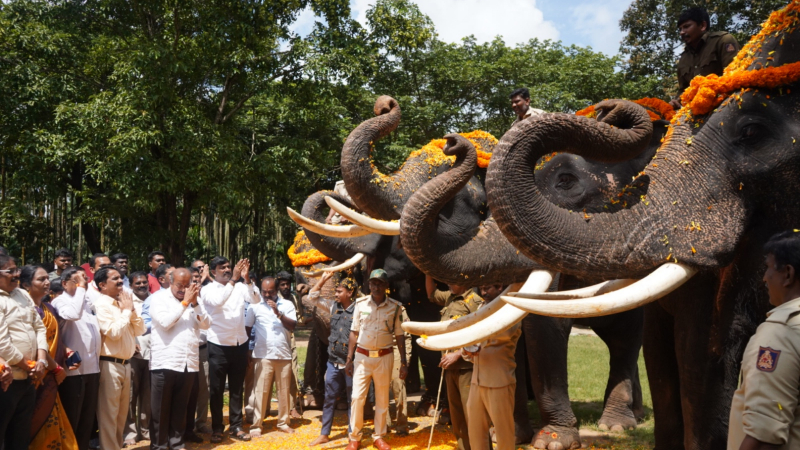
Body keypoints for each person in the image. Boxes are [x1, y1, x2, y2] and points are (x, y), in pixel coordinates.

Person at [728, 231, 800, 450]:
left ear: (787, 274)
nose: (764, 277)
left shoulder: (779, 335)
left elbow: (763, 437)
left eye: (769, 267)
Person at [345, 269, 407, 450]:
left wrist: (403, 362)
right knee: (357, 397)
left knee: (382, 399)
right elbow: (354, 332)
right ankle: (355, 438)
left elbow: (400, 335)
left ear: (386, 286)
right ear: (369, 285)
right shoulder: (360, 304)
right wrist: (349, 359)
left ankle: (379, 436)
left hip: (384, 357)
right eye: (373, 283)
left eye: (380, 283)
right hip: (362, 357)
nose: (376, 286)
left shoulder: (395, 307)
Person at [149, 268, 211, 450]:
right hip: (165, 362)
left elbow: (206, 324)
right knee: (160, 409)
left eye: (187, 285)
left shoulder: (195, 301)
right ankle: (159, 445)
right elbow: (166, 323)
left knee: (180, 408)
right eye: (179, 285)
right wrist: (184, 303)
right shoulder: (158, 299)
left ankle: (176, 443)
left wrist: (196, 304)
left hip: (188, 363)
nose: (183, 289)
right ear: (169, 282)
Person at [19, 265, 79, 450]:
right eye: (40, 279)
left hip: (51, 375)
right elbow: (35, 345)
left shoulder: (48, 308)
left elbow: (53, 338)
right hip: (33, 374)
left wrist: (66, 350)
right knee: (30, 423)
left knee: (51, 421)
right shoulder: (24, 309)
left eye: (47, 278)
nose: (47, 282)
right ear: (26, 284)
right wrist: (55, 367)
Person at [199, 257, 256, 443]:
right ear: (213, 272)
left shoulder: (241, 286)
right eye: (221, 267)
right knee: (216, 390)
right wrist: (234, 280)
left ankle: (236, 426)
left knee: (236, 388)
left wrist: (246, 280)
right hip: (218, 345)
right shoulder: (207, 289)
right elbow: (217, 301)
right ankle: (217, 427)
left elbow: (256, 299)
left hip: (239, 344)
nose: (227, 269)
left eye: (228, 266)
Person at [426, 275, 483, 450]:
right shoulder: (450, 297)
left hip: (466, 367)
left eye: (453, 279)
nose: (448, 282)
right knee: (457, 415)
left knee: (471, 414)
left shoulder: (474, 301)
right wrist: (428, 272)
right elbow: (431, 293)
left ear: (465, 282)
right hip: (450, 367)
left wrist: (457, 355)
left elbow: (477, 335)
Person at [0, 254, 49, 450]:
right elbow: (2, 343)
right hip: (6, 380)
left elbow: (40, 328)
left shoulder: (23, 295)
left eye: (16, 269)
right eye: (10, 271)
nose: (16, 274)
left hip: (29, 378)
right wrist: (29, 366)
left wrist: (42, 362)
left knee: (20, 436)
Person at [465, 284, 522, 450]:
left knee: (503, 432)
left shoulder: (512, 308)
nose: (483, 293)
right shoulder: (482, 307)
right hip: (477, 380)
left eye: (487, 288)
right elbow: (471, 340)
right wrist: (467, 349)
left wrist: (475, 341)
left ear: (500, 287)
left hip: (499, 380)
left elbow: (502, 334)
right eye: (481, 289)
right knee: (475, 430)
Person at [94, 266, 146, 450]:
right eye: (115, 279)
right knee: (109, 414)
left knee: (121, 415)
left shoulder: (121, 303)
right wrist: (125, 312)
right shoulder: (101, 305)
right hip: (109, 365)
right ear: (102, 284)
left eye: (120, 278)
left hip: (125, 364)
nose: (120, 281)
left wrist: (130, 310)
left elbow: (141, 330)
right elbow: (113, 333)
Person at [53, 266, 101, 450]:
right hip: (73, 372)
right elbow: (72, 315)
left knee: (87, 420)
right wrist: (81, 288)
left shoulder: (88, 304)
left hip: (92, 369)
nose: (84, 283)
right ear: (65, 284)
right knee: (73, 417)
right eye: (78, 280)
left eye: (85, 279)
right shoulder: (60, 302)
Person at [309, 273, 357, 446]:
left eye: (339, 291)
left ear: (350, 293)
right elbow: (312, 296)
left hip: (352, 364)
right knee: (329, 399)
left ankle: (353, 434)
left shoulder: (359, 310)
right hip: (333, 363)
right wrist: (322, 280)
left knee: (353, 399)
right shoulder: (332, 306)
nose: (336, 294)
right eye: (336, 291)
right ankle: (324, 434)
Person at [246, 276, 297, 436]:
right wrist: (247, 352)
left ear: (277, 291)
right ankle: (256, 425)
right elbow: (247, 329)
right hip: (262, 355)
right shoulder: (254, 306)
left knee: (283, 391)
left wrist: (278, 313)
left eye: (271, 292)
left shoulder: (287, 304)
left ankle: (283, 422)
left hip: (283, 355)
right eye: (264, 292)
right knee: (260, 392)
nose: (267, 295)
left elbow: (292, 325)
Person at [671, 7, 739, 109]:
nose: (682, 32)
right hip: (695, 112)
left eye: (686, 26)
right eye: (680, 29)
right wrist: (675, 102)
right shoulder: (683, 58)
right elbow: (683, 90)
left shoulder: (723, 40)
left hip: (725, 105)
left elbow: (734, 77)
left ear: (702, 25)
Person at [123, 272, 151, 446]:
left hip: (154, 354)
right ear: (131, 285)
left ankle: (146, 430)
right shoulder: (125, 301)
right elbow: (124, 324)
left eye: (144, 282)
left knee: (148, 396)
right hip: (132, 354)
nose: (142, 285)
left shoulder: (155, 300)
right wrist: (132, 342)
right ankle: (130, 432)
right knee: (131, 395)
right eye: (137, 283)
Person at [183, 266, 209, 440]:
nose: (196, 282)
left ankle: (199, 424)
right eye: (193, 279)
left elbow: (207, 324)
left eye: (198, 278)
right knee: (185, 392)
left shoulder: (205, 298)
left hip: (204, 349)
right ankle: (182, 429)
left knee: (202, 390)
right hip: (184, 352)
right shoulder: (179, 299)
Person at [276, 270, 304, 418]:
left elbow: (299, 319)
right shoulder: (274, 298)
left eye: (287, 284)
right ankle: (268, 408)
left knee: (293, 373)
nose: (286, 287)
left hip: (291, 340)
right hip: (276, 340)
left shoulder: (293, 298)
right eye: (282, 284)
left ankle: (292, 407)